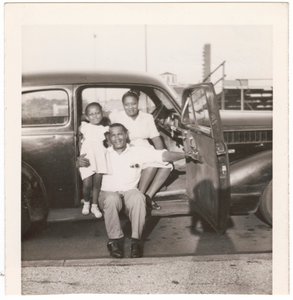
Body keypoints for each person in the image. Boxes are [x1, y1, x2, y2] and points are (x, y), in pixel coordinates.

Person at [78, 123, 196, 258]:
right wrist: (78, 161)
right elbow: (83, 164)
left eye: (120, 134)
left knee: (139, 196)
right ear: (109, 138)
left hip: (129, 192)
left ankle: (136, 241)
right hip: (107, 193)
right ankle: (114, 241)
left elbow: (163, 156)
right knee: (112, 198)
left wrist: (186, 154)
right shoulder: (103, 153)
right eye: (113, 135)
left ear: (126, 134)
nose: (117, 138)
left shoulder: (137, 151)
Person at [109, 90, 172, 210]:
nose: (130, 107)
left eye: (133, 104)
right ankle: (140, 197)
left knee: (168, 165)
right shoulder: (118, 117)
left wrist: (163, 153)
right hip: (128, 148)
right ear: (123, 105)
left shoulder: (147, 117)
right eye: (127, 104)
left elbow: (155, 137)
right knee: (151, 165)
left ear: (138, 104)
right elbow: (113, 136)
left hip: (146, 147)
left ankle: (147, 195)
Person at [79, 102, 109, 218]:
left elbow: (107, 144)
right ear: (86, 117)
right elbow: (79, 142)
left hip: (99, 156)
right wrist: (79, 156)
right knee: (87, 184)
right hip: (87, 157)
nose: (95, 116)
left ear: (102, 114)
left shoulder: (104, 129)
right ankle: (86, 203)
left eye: (97, 113)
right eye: (91, 114)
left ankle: (94, 206)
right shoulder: (84, 126)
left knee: (97, 183)